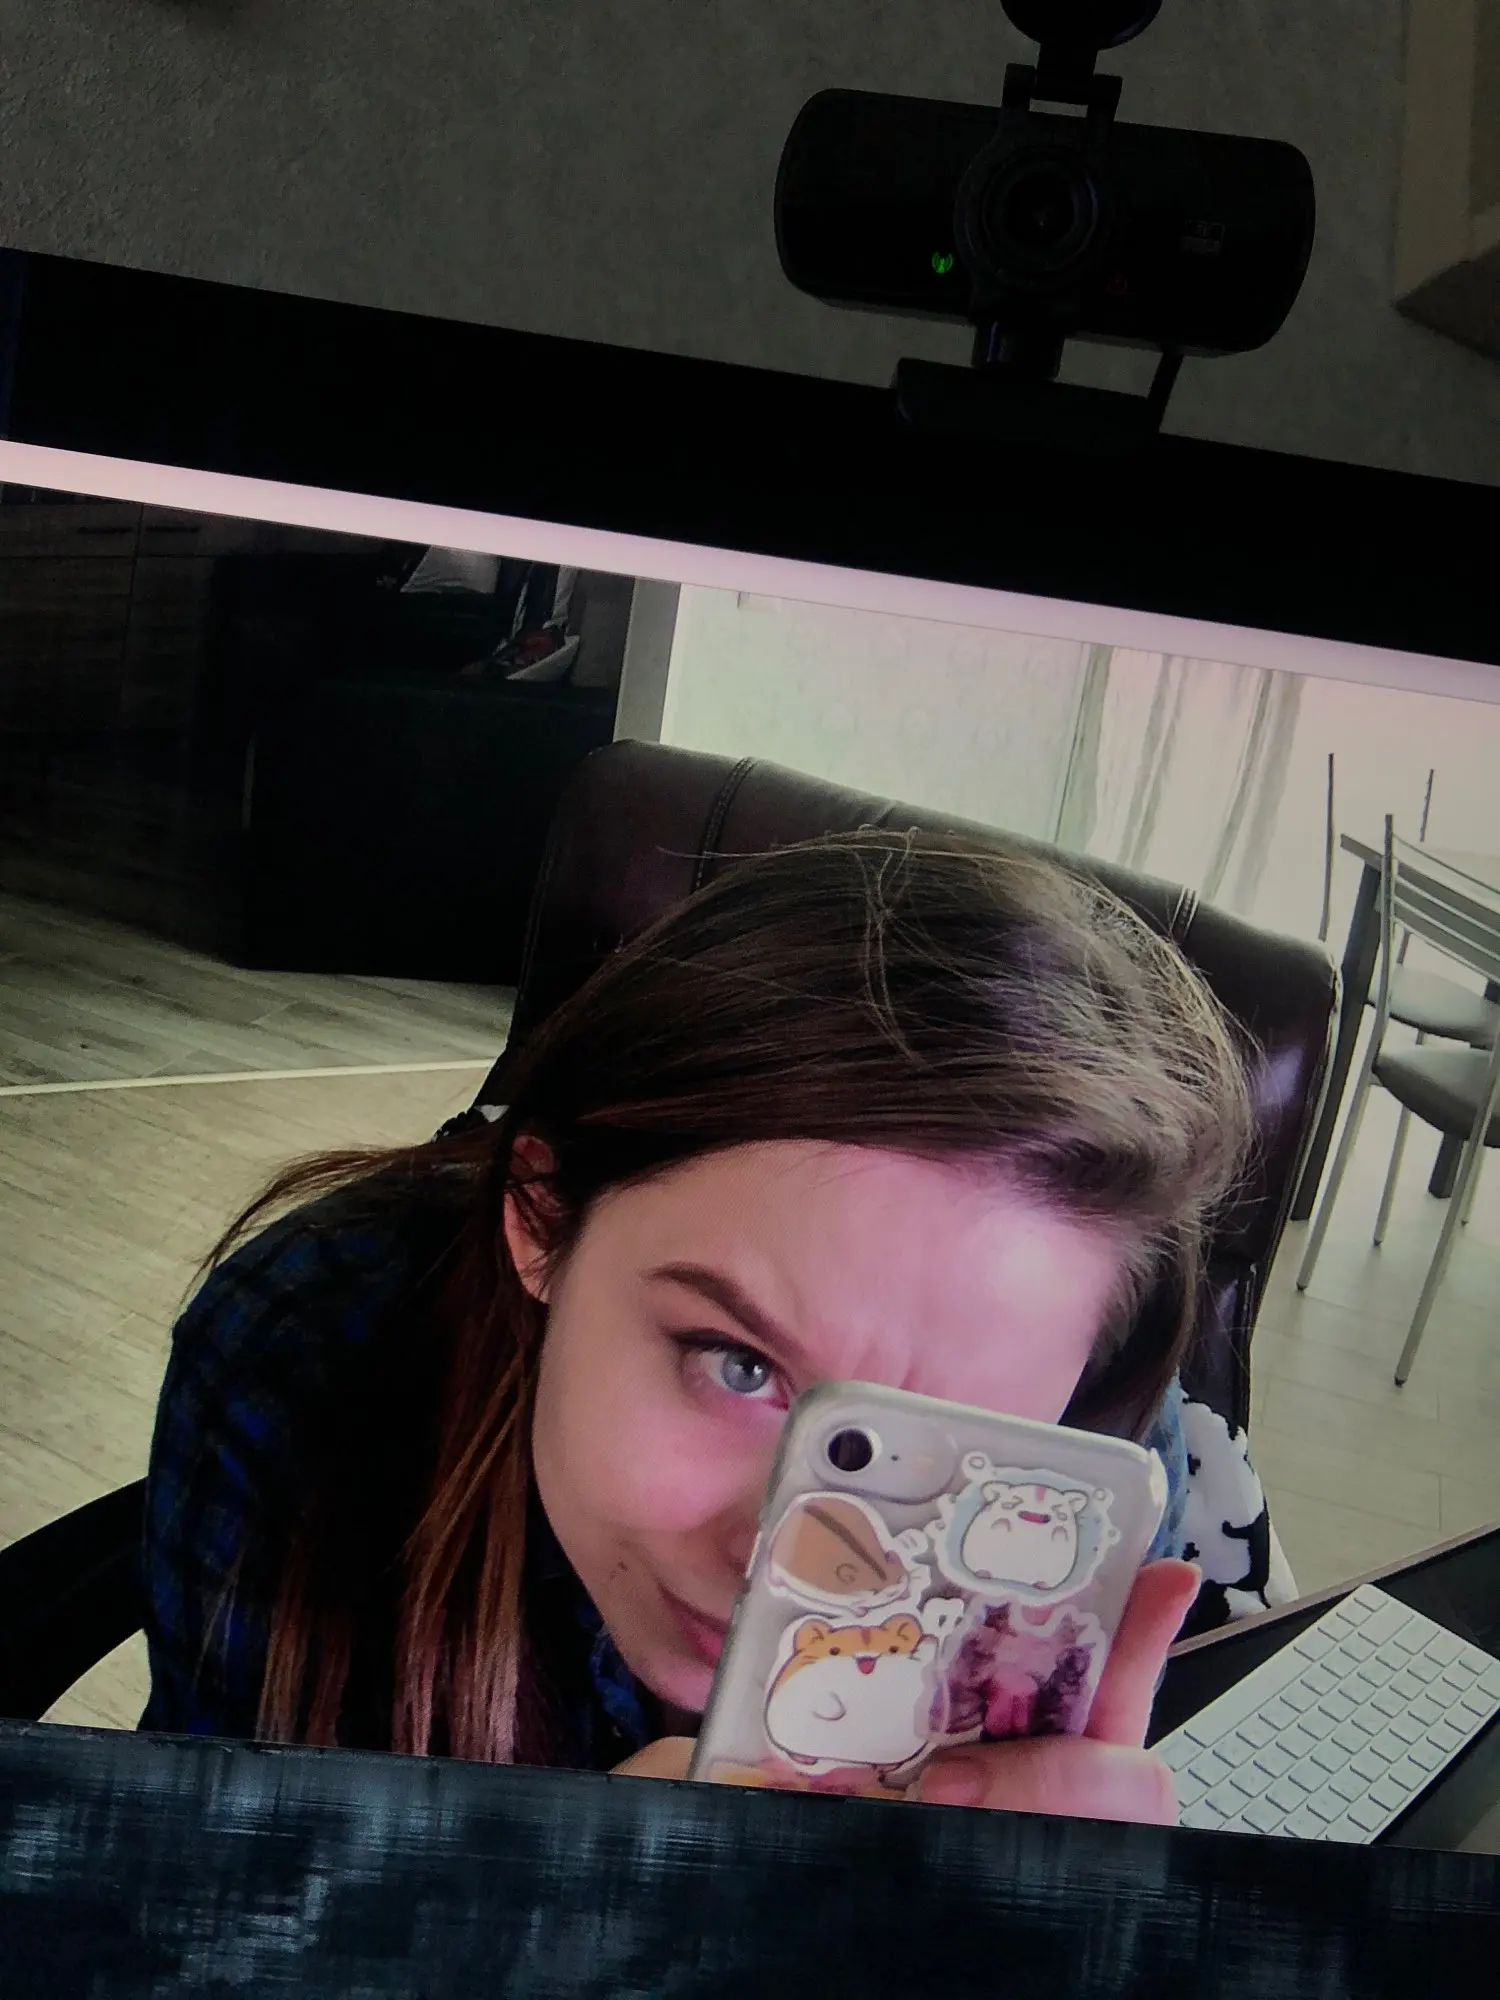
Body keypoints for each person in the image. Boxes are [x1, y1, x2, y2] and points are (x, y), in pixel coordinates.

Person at [141, 828, 1266, 1825]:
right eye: (737, 1364)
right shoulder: (311, 1344)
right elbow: (203, 1904)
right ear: (541, 1216)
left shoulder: (1089, 1485)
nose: (805, 1564)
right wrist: (553, 1905)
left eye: (956, 1447)